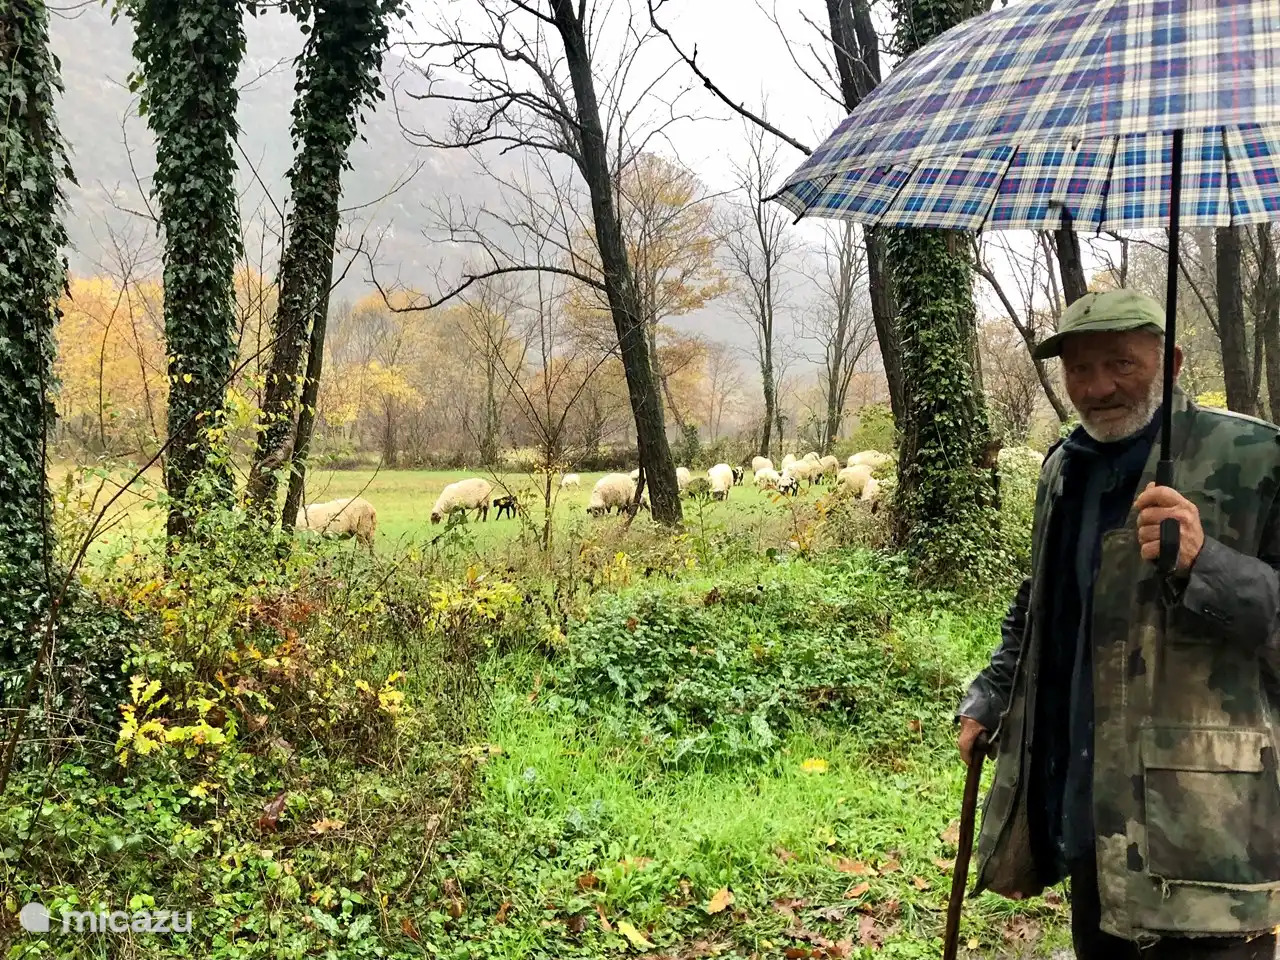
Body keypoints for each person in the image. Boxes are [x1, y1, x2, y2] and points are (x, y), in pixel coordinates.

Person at [955, 289, 1280, 959]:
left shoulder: (1257, 461)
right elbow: (1041, 602)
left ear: (1173, 362)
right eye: (1077, 368)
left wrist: (1206, 564)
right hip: (1093, 827)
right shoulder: (1063, 470)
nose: (1096, 387)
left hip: (1209, 845)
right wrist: (992, 693)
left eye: (1121, 364)